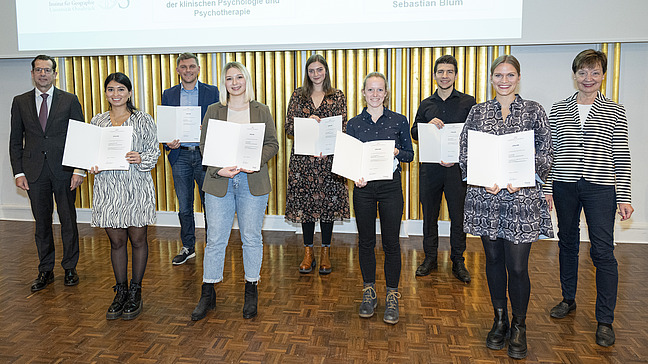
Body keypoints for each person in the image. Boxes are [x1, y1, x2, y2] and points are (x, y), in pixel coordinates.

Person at [459, 55, 553, 359]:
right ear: (491, 78)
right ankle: (499, 320)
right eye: (498, 75)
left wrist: (524, 178)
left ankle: (519, 325)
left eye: (510, 75)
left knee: (517, 266)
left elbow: (545, 153)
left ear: (518, 77)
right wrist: (480, 177)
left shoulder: (534, 110)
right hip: (486, 198)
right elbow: (465, 151)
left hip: (520, 199)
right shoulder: (477, 112)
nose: (504, 80)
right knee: (494, 261)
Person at [544, 49, 634, 347]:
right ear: (574, 75)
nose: (588, 78)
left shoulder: (615, 110)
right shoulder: (557, 109)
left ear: (603, 76)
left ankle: (605, 320)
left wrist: (624, 196)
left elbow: (621, 155)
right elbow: (550, 154)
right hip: (565, 186)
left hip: (601, 187)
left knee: (603, 251)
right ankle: (568, 299)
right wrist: (546, 189)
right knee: (567, 243)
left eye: (594, 72)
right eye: (582, 73)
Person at [191, 62, 278, 321]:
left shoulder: (261, 110)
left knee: (251, 237)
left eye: (239, 77)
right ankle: (208, 292)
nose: (235, 82)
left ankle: (251, 288)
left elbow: (272, 143)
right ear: (224, 83)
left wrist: (254, 162)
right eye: (229, 78)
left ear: (246, 80)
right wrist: (220, 169)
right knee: (216, 238)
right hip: (220, 182)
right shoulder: (213, 110)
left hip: (253, 181)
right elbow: (205, 145)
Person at [89, 72, 161, 320]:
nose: (115, 94)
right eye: (111, 89)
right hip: (108, 187)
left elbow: (154, 152)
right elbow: (90, 153)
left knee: (138, 239)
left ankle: (135, 290)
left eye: (121, 89)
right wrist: (92, 163)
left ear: (129, 93)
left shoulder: (143, 120)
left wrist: (141, 158)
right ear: (106, 93)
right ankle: (120, 291)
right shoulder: (97, 121)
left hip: (136, 186)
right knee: (117, 242)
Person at [9, 55, 84, 292]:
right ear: (32, 73)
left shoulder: (70, 100)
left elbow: (79, 137)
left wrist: (78, 169)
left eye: (47, 70)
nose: (43, 74)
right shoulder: (20, 101)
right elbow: (15, 141)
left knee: (68, 220)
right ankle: (45, 269)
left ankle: (70, 267)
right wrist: (18, 172)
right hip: (34, 172)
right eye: (38, 70)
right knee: (41, 223)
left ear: (55, 74)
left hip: (63, 170)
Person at [347, 72, 413, 325]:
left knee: (391, 243)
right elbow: (349, 159)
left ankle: (392, 295)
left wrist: (397, 150)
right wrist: (355, 176)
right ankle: (369, 292)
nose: (375, 95)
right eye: (370, 90)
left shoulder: (399, 120)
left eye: (380, 90)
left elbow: (409, 155)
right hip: (363, 189)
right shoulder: (353, 124)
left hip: (390, 187)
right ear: (363, 93)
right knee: (365, 242)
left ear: (386, 93)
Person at [410, 55, 476, 282]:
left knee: (458, 217)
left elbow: (474, 135)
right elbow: (413, 132)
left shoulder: (469, 102)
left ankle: (458, 261)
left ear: (456, 75)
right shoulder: (426, 104)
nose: (445, 76)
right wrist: (426, 127)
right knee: (430, 215)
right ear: (435, 75)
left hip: (457, 169)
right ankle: (430, 258)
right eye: (441, 72)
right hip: (431, 169)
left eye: (449, 72)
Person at [285, 54, 350, 274]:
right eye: (311, 70)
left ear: (326, 71)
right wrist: (307, 123)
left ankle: (325, 251)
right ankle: (308, 251)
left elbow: (343, 127)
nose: (316, 74)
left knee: (327, 207)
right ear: (307, 73)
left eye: (319, 70)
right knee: (306, 207)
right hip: (303, 162)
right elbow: (288, 128)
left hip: (329, 161)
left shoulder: (337, 95)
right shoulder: (297, 95)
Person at [161, 52, 220, 266]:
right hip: (181, 156)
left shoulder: (212, 92)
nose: (188, 70)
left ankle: (214, 245)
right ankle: (188, 247)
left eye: (191, 66)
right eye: (183, 67)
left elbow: (221, 122)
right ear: (177, 70)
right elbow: (166, 127)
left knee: (210, 204)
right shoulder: (168, 94)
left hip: (206, 156)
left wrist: (209, 129)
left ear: (198, 69)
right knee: (184, 205)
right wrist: (168, 142)